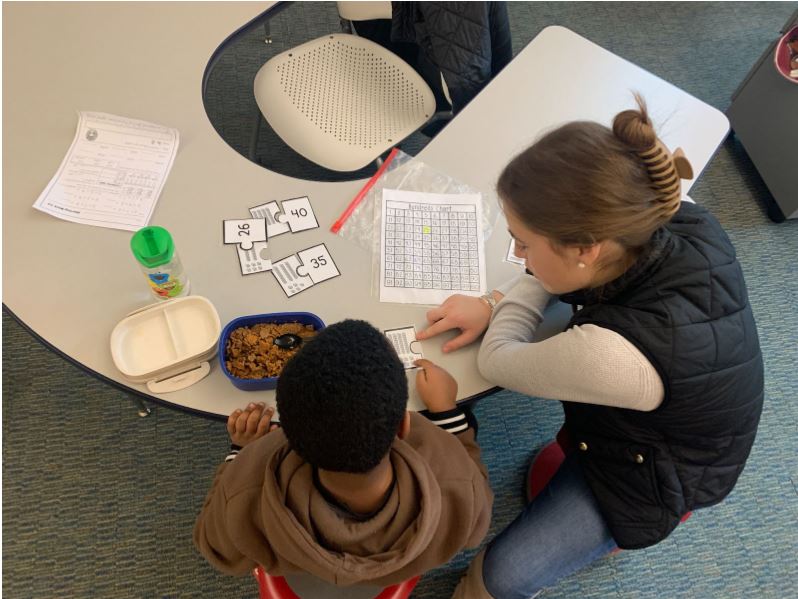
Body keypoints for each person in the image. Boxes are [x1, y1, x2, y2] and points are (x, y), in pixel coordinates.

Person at [416, 96, 764, 598]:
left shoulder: (609, 355)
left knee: (497, 579)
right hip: (679, 418)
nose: (516, 255)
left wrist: (503, 306)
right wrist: (496, 299)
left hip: (657, 476)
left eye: (523, 243)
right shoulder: (663, 211)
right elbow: (559, 272)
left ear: (586, 249)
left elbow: (497, 359)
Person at [193, 319, 492, 589]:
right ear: (403, 427)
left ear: (288, 436)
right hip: (403, 567)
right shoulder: (455, 483)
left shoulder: (249, 479)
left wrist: (239, 451)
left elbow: (216, 549)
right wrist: (447, 415)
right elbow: (476, 524)